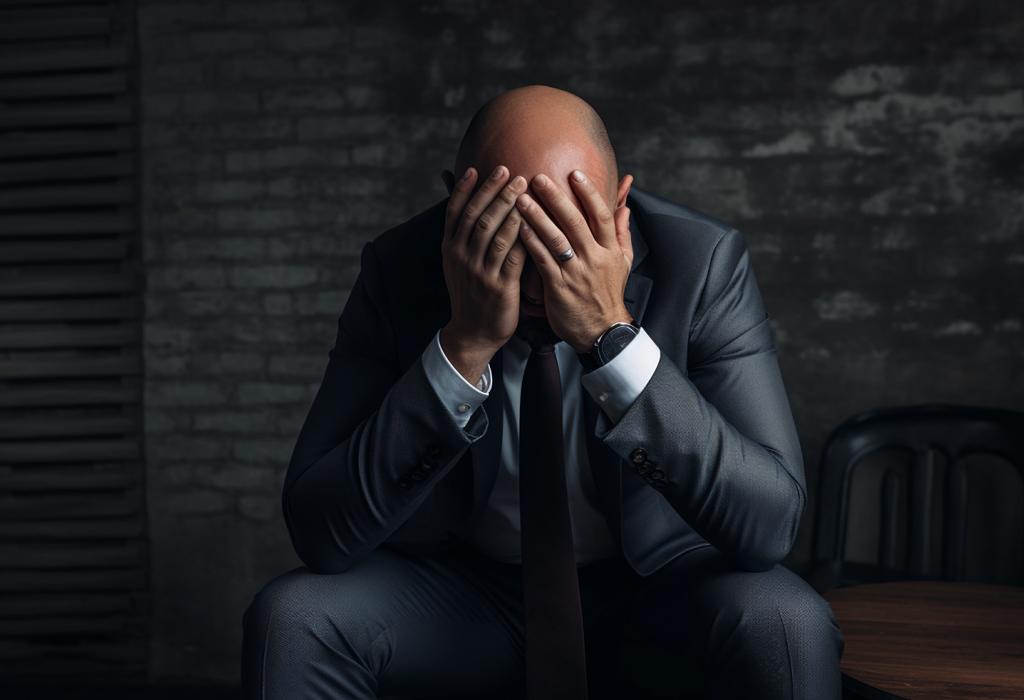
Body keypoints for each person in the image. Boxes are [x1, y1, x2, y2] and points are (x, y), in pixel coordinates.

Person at [241, 84, 844, 699]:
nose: (541, 269)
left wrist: (612, 339)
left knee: (786, 620)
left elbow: (769, 527)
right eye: (505, 227)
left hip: (661, 590)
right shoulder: (399, 271)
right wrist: (462, 346)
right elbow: (320, 529)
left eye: (569, 232)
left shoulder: (702, 263)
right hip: (460, 596)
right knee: (295, 618)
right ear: (456, 202)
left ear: (619, 208)